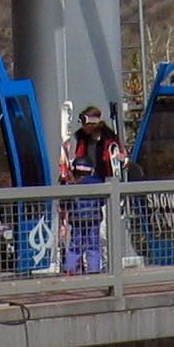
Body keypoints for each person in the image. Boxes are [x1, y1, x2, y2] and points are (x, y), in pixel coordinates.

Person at [59, 105, 125, 276]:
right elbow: (78, 161)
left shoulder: (110, 140)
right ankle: (87, 268)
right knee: (87, 240)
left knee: (92, 238)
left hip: (103, 185)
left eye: (84, 122)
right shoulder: (82, 139)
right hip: (88, 190)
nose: (82, 127)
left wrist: (121, 161)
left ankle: (96, 268)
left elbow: (118, 159)